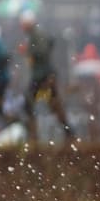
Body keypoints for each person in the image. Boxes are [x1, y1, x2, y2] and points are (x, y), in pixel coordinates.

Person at [18, 10, 75, 142]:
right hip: (44, 77)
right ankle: (68, 132)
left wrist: (28, 51)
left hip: (42, 77)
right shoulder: (35, 34)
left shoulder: (37, 34)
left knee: (29, 104)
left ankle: (34, 136)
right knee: (53, 105)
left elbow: (42, 50)